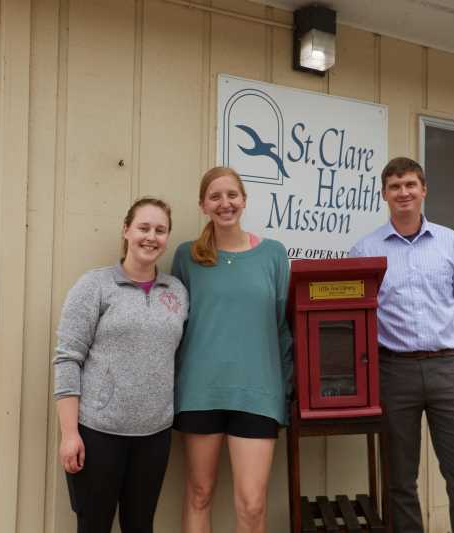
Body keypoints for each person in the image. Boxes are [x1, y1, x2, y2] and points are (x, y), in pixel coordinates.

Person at [349, 157, 454, 533]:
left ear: (423, 190)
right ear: (384, 195)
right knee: (399, 481)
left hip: (450, 371)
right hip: (394, 372)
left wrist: (443, 343)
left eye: (410, 184)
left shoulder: (451, 243)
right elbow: (361, 313)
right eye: (394, 187)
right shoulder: (365, 250)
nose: (403, 192)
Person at [52, 197, 188, 533]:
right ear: (126, 230)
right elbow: (68, 358)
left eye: (160, 230)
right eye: (143, 227)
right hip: (99, 433)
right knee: (94, 524)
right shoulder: (95, 286)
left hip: (155, 435)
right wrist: (70, 434)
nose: (151, 237)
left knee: (140, 525)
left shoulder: (177, 291)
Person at [171, 166, 293, 533]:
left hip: (258, 395)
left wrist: (287, 389)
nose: (225, 203)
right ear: (203, 205)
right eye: (215, 196)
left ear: (244, 200)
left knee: (253, 505)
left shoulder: (273, 255)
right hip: (199, 392)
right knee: (199, 493)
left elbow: (282, 327)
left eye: (232, 195)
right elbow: (174, 326)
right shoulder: (186, 257)